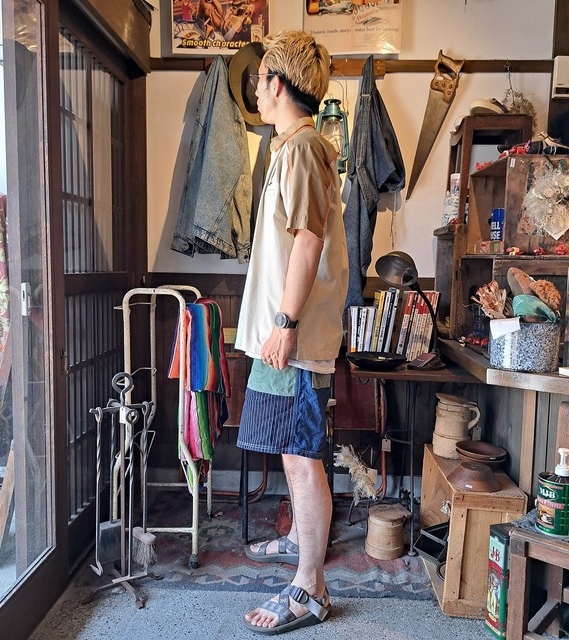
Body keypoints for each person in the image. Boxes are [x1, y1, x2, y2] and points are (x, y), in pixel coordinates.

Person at [234, 30, 349, 634]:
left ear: (276, 84)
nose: (256, 89)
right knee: (291, 448)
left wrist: (284, 324)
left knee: (303, 458)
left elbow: (309, 242)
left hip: (294, 338)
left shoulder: (303, 148)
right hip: (285, 334)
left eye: (259, 80)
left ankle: (310, 589)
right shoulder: (293, 147)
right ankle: (304, 545)